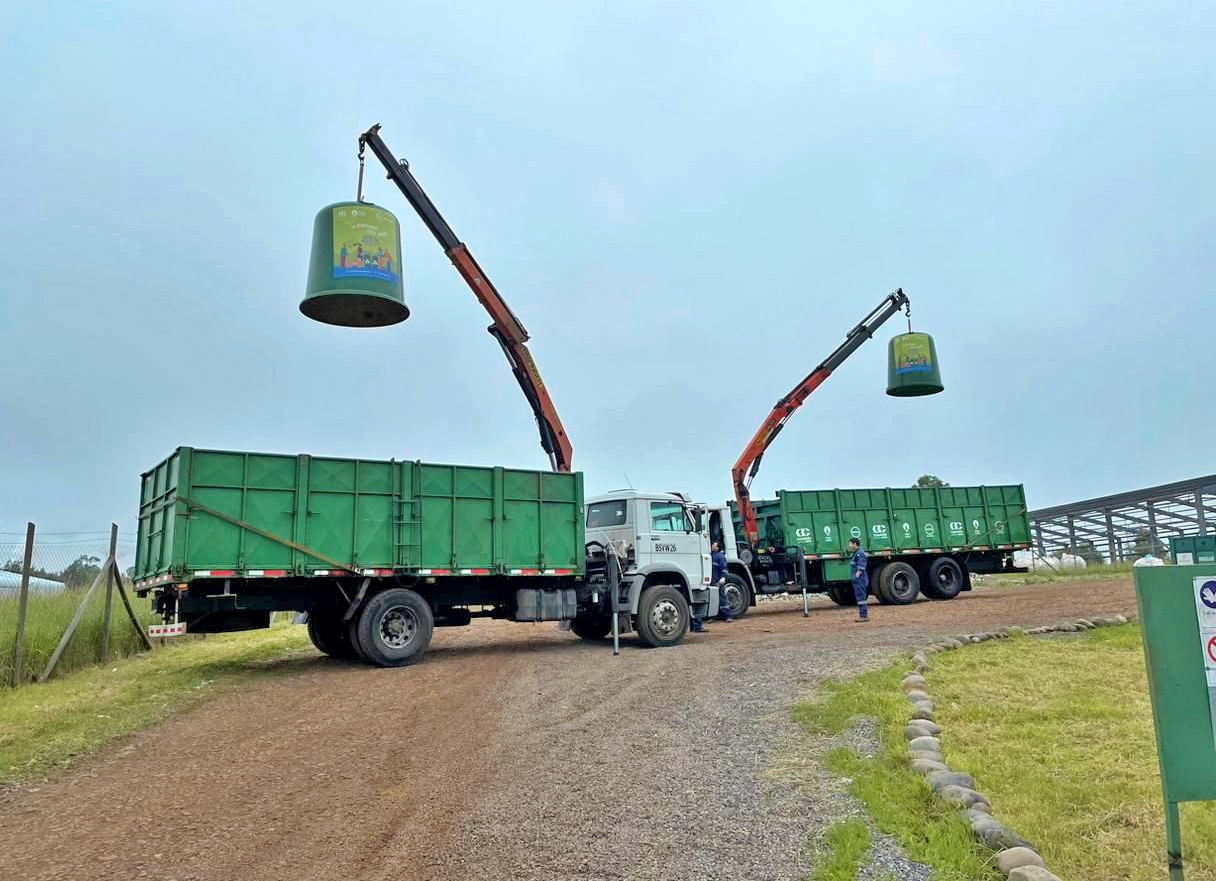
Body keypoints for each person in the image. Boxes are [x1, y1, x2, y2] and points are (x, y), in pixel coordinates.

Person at [848, 537, 870, 622]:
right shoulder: (856, 553)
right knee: (859, 597)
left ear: (855, 544)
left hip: (860, 580)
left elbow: (861, 567)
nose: (849, 545)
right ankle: (862, 615)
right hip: (858, 580)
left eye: (850, 543)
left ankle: (864, 616)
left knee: (861, 597)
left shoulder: (860, 553)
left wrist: (856, 577)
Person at [711, 540, 733, 622]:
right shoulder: (710, 556)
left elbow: (724, 569)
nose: (712, 546)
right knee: (714, 600)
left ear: (717, 548)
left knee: (722, 599)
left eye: (714, 545)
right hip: (712, 581)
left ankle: (728, 616)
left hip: (717, 581)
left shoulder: (720, 557)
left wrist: (721, 580)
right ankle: (714, 616)